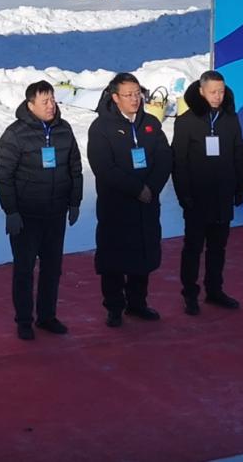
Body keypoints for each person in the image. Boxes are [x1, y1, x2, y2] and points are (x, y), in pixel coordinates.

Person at [0, 80, 83, 340]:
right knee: (24, 270)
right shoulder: (15, 134)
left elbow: (75, 168)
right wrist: (11, 211)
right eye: (45, 101)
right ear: (30, 105)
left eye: (53, 99)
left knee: (52, 268)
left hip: (55, 214)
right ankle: (24, 320)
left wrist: (74, 202)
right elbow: (3, 175)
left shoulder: (64, 130)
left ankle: (47, 316)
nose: (51, 105)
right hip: (27, 216)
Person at [87, 74, 172, 327]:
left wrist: (151, 188)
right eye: (128, 95)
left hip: (146, 204)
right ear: (115, 97)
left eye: (138, 93)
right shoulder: (101, 128)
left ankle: (138, 303)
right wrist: (136, 189)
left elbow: (164, 158)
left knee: (142, 255)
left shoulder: (150, 123)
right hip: (117, 205)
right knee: (114, 258)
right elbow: (103, 167)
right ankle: (114, 307)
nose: (135, 99)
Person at [172, 70, 243, 315]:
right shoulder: (186, 122)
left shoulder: (230, 119)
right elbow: (179, 161)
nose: (217, 96)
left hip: (222, 195)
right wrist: (184, 194)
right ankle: (190, 294)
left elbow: (239, 153)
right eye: (213, 92)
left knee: (218, 248)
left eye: (221, 91)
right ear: (201, 91)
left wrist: (241, 185)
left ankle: (215, 290)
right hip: (197, 197)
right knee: (193, 248)